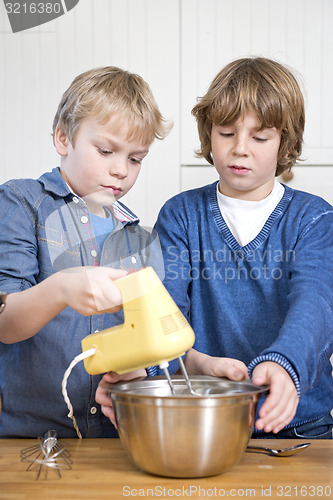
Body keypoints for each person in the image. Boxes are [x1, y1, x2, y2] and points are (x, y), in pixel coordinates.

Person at [152, 57, 333, 439]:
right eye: (227, 133)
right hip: (203, 422)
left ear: (288, 142)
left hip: (303, 426)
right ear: (207, 134)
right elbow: (161, 316)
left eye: (260, 137)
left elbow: (316, 303)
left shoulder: (313, 219)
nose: (240, 149)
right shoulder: (181, 216)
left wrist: (284, 364)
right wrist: (195, 363)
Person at [0, 66, 170, 438]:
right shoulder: (20, 204)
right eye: (106, 150)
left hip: (112, 438)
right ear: (63, 138)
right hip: (30, 437)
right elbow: (4, 323)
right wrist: (61, 287)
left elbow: (150, 342)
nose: (121, 170)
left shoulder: (138, 240)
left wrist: (139, 371)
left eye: (135, 159)